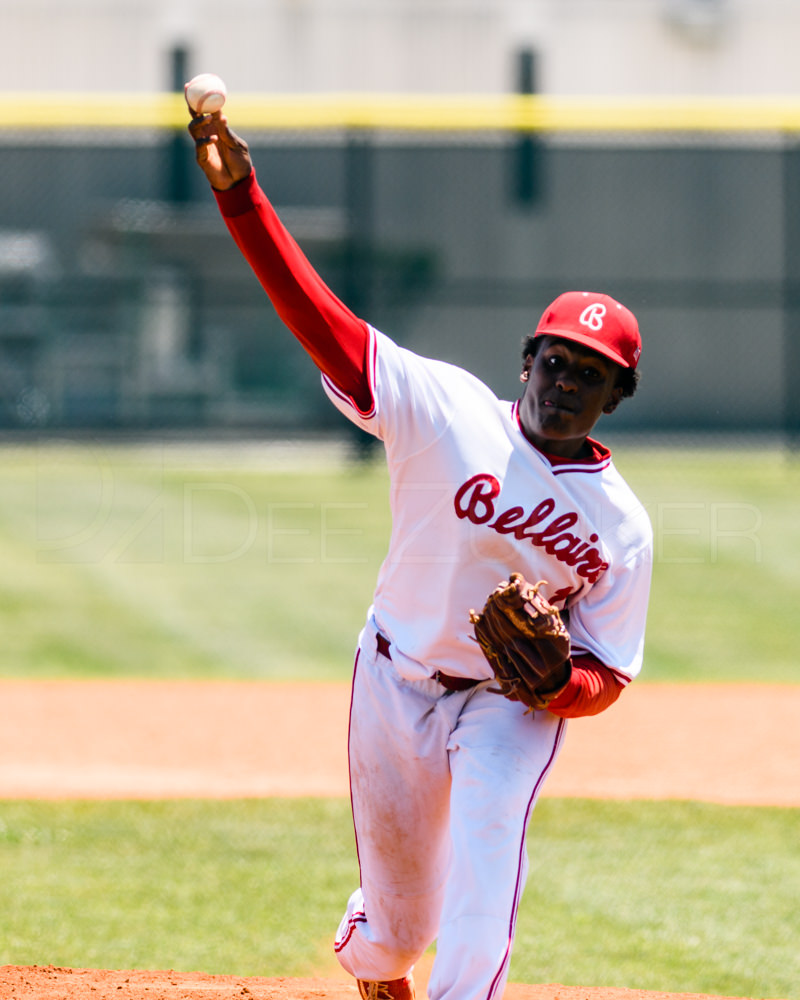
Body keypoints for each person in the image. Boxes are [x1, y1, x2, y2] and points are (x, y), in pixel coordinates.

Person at [187, 105, 653, 1000]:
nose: (565, 381)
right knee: (397, 934)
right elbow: (321, 322)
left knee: (484, 886)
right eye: (555, 360)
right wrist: (240, 199)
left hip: (508, 708)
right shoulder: (443, 409)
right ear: (528, 360)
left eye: (589, 372)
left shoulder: (622, 526)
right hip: (394, 680)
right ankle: (375, 962)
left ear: (616, 393)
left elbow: (609, 673)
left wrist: (557, 686)